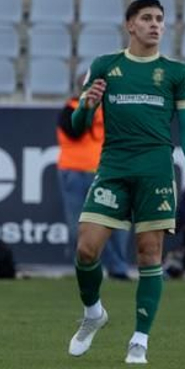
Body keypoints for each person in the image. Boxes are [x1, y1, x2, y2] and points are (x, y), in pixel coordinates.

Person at [65, 0, 185, 367]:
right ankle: (93, 312)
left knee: (149, 253)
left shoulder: (177, 73)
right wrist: (87, 106)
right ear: (130, 25)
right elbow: (78, 128)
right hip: (113, 168)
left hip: (156, 172)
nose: (155, 24)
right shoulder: (105, 66)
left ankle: (139, 340)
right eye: (147, 18)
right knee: (86, 249)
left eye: (159, 18)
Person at [57, 86, 132, 280]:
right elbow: (75, 131)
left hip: (109, 172)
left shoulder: (112, 109)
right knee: (80, 226)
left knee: (117, 223)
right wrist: (88, 108)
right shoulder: (70, 109)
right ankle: (99, 266)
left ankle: (118, 267)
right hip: (76, 173)